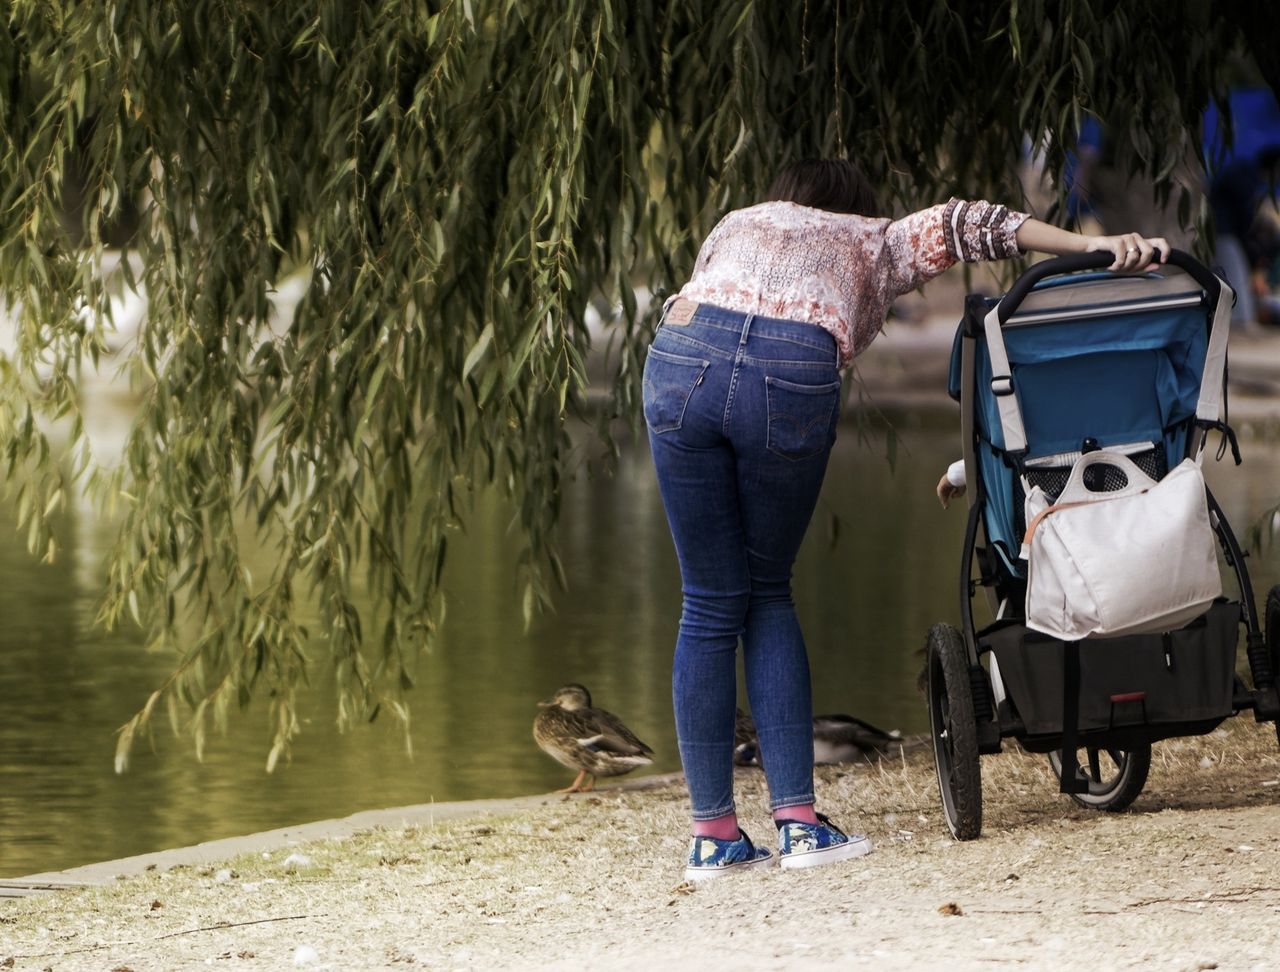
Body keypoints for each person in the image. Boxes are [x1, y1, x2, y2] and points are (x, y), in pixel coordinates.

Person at [643, 158, 1168, 881]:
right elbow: (979, 224)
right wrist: (1095, 247)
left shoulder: (740, 222)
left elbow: (708, 303)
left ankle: (712, 837)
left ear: (787, 198)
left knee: (707, 602)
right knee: (765, 591)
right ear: (856, 206)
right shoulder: (874, 237)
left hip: (680, 357)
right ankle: (797, 825)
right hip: (787, 367)